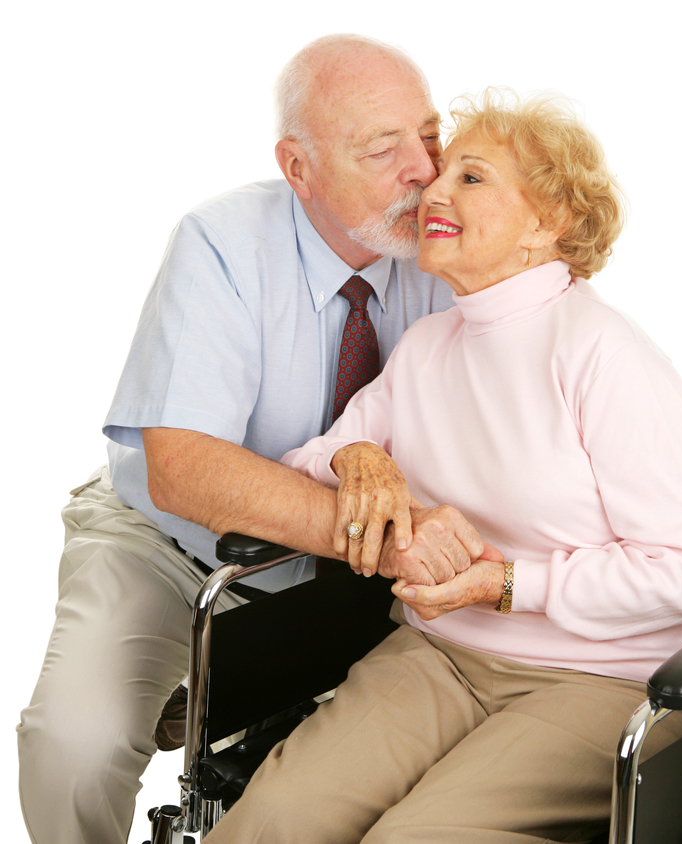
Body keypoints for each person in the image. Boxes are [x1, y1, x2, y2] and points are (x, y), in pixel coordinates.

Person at [203, 89, 682, 844]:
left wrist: (511, 585)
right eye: (441, 174)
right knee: (275, 821)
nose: (434, 191)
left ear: (548, 224)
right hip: (440, 653)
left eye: (471, 179)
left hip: (608, 680)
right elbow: (310, 460)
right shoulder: (427, 347)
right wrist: (356, 456)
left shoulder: (607, 358)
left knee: (409, 840)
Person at [17, 34, 475, 844]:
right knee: (74, 745)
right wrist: (372, 529)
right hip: (169, 545)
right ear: (298, 169)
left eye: (431, 136)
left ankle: (209, 701)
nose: (423, 169)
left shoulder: (448, 243)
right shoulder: (222, 243)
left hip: (345, 576)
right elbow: (184, 472)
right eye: (382, 148)